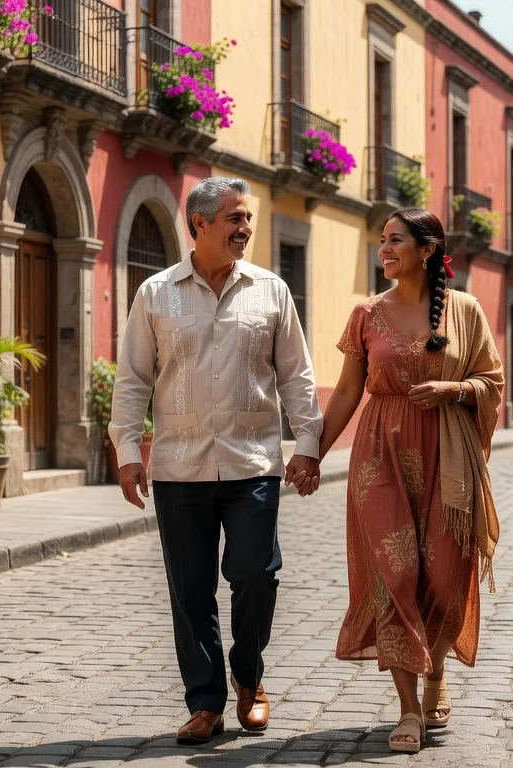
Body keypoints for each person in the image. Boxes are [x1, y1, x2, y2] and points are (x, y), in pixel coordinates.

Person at [110, 177, 325, 746]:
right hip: (179, 467)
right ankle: (204, 701)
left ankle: (249, 679)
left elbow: (296, 376)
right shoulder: (156, 294)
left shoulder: (271, 291)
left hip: (253, 460)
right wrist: (128, 450)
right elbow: (132, 377)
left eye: (248, 218)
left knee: (257, 572)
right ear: (198, 225)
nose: (246, 229)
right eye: (234, 218)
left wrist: (307, 444)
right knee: (190, 589)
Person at [317, 209, 503, 754]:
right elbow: (348, 392)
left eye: (395, 240)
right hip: (380, 455)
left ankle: (435, 671)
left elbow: (492, 382)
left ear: (427, 250)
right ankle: (407, 709)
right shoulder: (366, 315)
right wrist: (312, 453)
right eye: (381, 240)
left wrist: (455, 391)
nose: (384, 249)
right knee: (394, 574)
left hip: (447, 456)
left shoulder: (464, 310)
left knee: (444, 578)